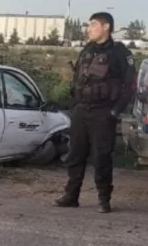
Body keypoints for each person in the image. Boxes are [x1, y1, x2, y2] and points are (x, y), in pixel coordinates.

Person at [54, 12, 136, 213]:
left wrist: (115, 111)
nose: (89, 29)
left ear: (106, 27)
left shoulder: (120, 53)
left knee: (101, 158)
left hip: (103, 113)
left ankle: (104, 200)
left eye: (93, 25)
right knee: (75, 155)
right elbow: (77, 79)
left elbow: (129, 87)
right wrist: (75, 106)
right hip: (82, 110)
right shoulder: (87, 50)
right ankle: (71, 196)